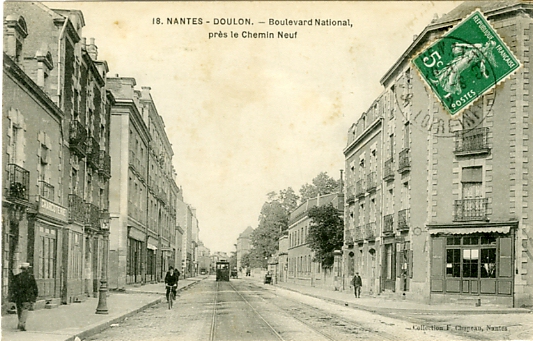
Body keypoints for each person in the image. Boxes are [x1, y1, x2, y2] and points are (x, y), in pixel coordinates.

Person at [11, 262, 38, 331]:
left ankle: (20, 323)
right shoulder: (31, 276)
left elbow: (14, 287)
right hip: (27, 296)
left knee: (20, 310)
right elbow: (34, 287)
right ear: (27, 269)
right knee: (25, 310)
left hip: (19, 296)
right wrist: (35, 295)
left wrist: (14, 296)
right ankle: (21, 325)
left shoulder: (17, 276)